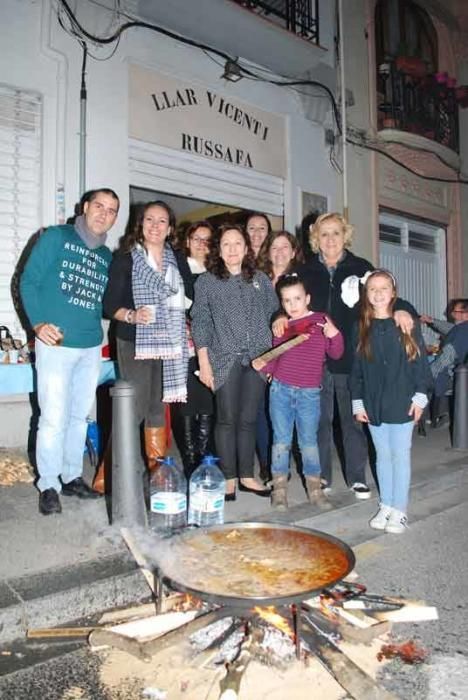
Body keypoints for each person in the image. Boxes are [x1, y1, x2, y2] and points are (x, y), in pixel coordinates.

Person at [274, 212, 415, 498]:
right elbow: (290, 301)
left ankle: (356, 476)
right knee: (319, 420)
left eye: (336, 233)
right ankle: (322, 475)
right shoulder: (303, 270)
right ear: (316, 239)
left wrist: (403, 310)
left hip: (351, 357)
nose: (330, 239)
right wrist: (278, 315)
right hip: (313, 360)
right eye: (324, 234)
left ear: (345, 235)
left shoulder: (360, 267)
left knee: (352, 420)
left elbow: (383, 293)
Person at [20, 188, 119, 515]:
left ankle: (71, 475)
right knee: (53, 418)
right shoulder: (56, 238)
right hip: (56, 345)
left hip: (90, 346)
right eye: (99, 206)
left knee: (78, 417)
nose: (104, 214)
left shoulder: (107, 257)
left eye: (112, 210)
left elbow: (108, 303)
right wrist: (37, 325)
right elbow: (27, 281)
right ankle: (48, 484)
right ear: (85, 207)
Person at [191, 224, 278, 499]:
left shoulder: (261, 279)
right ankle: (228, 478)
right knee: (227, 420)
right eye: (226, 244)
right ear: (218, 249)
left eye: (237, 243)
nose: (232, 249)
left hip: (258, 359)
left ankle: (247, 476)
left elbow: (275, 316)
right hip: (223, 359)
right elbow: (201, 323)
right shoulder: (206, 281)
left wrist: (274, 359)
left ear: (246, 247)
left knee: (249, 420)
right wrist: (204, 363)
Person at [103, 200, 189, 472]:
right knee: (134, 408)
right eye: (149, 219)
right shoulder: (126, 258)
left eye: (161, 220)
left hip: (169, 340)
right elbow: (108, 305)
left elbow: (192, 297)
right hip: (133, 340)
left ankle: (156, 468)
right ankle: (112, 472)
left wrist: (180, 314)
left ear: (170, 227)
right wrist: (131, 314)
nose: (155, 225)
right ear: (140, 225)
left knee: (156, 406)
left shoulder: (178, 260)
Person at [349, 270, 432, 534]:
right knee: (382, 456)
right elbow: (356, 370)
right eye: (373, 288)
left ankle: (400, 510)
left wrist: (421, 396)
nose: (378, 293)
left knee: (400, 456)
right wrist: (358, 403)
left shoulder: (406, 324)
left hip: (402, 402)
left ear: (393, 292)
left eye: (384, 288)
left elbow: (420, 364)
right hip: (374, 404)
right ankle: (386, 504)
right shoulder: (360, 327)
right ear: (366, 294)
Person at [252, 274, 344, 510]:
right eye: (287, 301)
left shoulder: (321, 320)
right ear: (282, 303)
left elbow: (336, 353)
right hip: (280, 390)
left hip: (309, 393)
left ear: (308, 298)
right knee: (281, 441)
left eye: (297, 299)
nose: (292, 305)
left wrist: (334, 335)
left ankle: (315, 489)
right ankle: (279, 489)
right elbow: (275, 354)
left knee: (308, 442)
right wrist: (267, 368)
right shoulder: (282, 326)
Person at [256, 230, 304, 481]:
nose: (280, 252)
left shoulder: (300, 280)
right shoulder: (258, 278)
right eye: (274, 247)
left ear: (293, 252)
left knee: (288, 410)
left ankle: (292, 459)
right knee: (262, 410)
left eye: (285, 247)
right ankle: (267, 464)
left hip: (289, 353)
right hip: (259, 351)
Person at [171, 221, 215, 477]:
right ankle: (190, 460)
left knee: (208, 400)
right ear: (187, 241)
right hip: (183, 344)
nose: (201, 244)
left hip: (212, 345)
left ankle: (205, 456)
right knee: (187, 402)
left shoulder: (216, 271)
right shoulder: (176, 268)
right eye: (196, 238)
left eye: (207, 240)